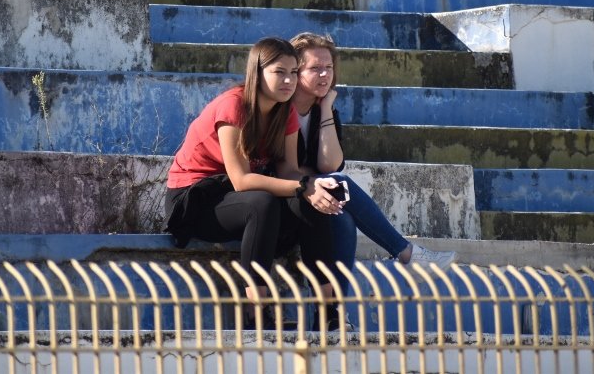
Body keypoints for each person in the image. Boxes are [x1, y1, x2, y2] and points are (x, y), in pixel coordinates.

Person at [164, 37, 344, 329]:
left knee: (311, 203)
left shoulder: (283, 111)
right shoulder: (233, 106)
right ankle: (256, 311)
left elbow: (288, 168)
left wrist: (311, 187)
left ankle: (327, 311)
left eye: (294, 72)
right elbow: (242, 180)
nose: (289, 80)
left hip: (237, 198)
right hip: (196, 199)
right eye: (279, 72)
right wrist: (302, 186)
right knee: (262, 203)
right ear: (257, 73)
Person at [289, 32, 457, 274]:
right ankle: (407, 253)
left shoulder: (324, 112)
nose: (325, 74)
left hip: (315, 195)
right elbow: (288, 166)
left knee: (343, 218)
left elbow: (330, 165)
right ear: (297, 71)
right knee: (341, 184)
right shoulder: (279, 109)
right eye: (315, 68)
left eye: (329, 67)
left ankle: (335, 309)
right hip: (284, 194)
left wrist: (325, 109)